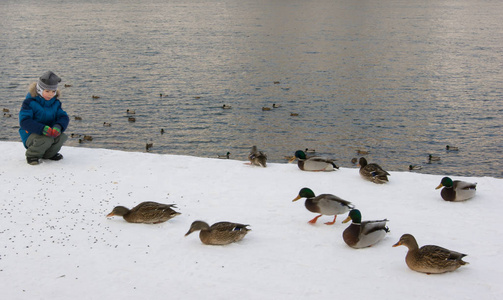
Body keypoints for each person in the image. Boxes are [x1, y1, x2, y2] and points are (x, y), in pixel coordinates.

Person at [19, 71, 70, 165]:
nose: (50, 94)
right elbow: (24, 121)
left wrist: (58, 126)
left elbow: (63, 116)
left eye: (53, 91)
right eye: (47, 91)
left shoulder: (56, 103)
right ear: (39, 90)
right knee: (45, 139)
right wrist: (42, 129)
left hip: (49, 132)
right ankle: (32, 155)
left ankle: (49, 154)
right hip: (31, 134)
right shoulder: (29, 102)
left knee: (61, 137)